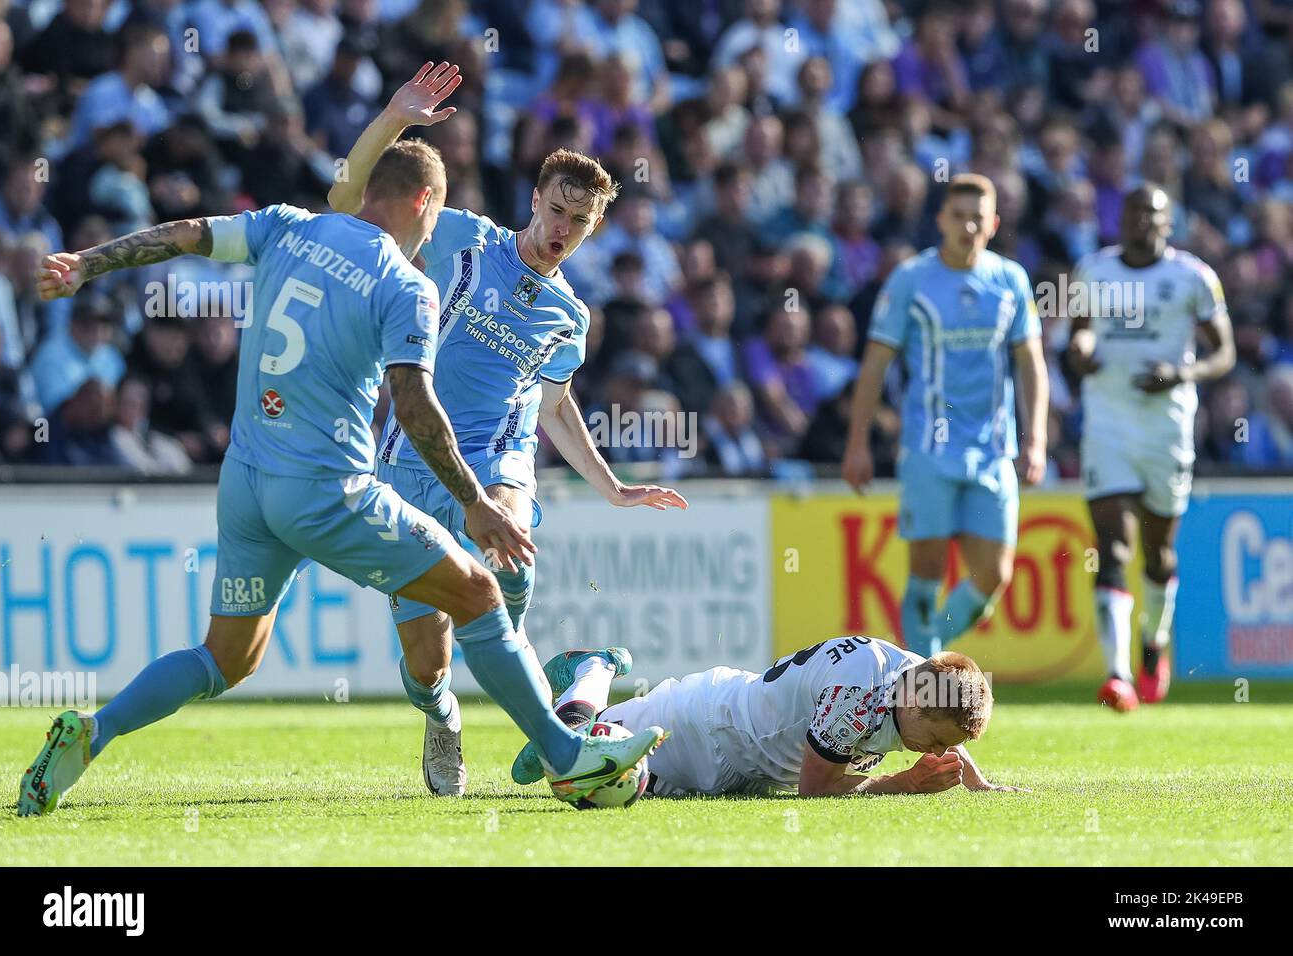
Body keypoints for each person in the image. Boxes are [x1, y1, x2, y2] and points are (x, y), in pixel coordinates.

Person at [18, 91, 664, 816]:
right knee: (479, 595)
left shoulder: (286, 226)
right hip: (333, 489)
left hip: (247, 483)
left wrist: (87, 264)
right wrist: (475, 504)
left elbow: (189, 233)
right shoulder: (406, 282)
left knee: (224, 659)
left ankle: (93, 732)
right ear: (427, 203)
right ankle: (566, 752)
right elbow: (415, 409)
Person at [328, 61, 687, 796]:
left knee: (511, 554)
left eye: (580, 222)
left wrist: (612, 485)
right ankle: (442, 713)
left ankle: (550, 720)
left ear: (593, 229)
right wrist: (396, 117)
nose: (564, 229)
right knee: (425, 661)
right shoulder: (461, 238)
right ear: (535, 200)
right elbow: (348, 195)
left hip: (500, 460)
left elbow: (553, 407)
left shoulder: (571, 318)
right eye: (558, 210)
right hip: (410, 463)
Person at [842, 174, 1049, 659]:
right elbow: (876, 363)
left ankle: (925, 654)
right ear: (941, 220)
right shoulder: (911, 279)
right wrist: (857, 443)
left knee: (992, 578)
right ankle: (927, 679)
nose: (968, 226)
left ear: (994, 224)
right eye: (958, 216)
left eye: (978, 217)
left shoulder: (1010, 280)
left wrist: (1036, 438)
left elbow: (1031, 363)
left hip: (993, 449)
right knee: (926, 574)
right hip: (929, 450)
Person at [1065, 184, 1235, 711]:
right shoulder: (1092, 271)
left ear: (1169, 223)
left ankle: (1152, 643)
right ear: (1120, 220)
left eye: (1153, 214)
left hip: (1167, 427)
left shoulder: (1193, 277)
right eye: (1134, 213)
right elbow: (1081, 335)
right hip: (1108, 422)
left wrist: (1182, 373)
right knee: (1112, 544)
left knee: (1157, 553)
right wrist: (1080, 351)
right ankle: (1117, 676)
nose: (1143, 222)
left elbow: (1223, 352)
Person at [509, 638, 1025, 798]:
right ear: (914, 703)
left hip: (742, 766)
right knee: (583, 766)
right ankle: (590, 671)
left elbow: (945, 718)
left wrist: (978, 782)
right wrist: (904, 783)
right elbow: (815, 789)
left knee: (599, 788)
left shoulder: (924, 682)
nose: (936, 753)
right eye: (934, 742)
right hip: (701, 726)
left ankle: (571, 725)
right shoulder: (860, 696)